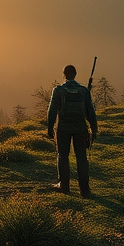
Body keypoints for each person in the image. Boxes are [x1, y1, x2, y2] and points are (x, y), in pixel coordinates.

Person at [46, 64, 98, 198]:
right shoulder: (83, 90)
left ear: (64, 74)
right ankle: (85, 190)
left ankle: (64, 186)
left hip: (63, 127)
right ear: (75, 75)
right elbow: (90, 112)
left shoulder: (58, 90)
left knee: (63, 156)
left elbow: (51, 111)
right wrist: (94, 129)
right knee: (82, 158)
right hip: (80, 127)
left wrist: (50, 128)